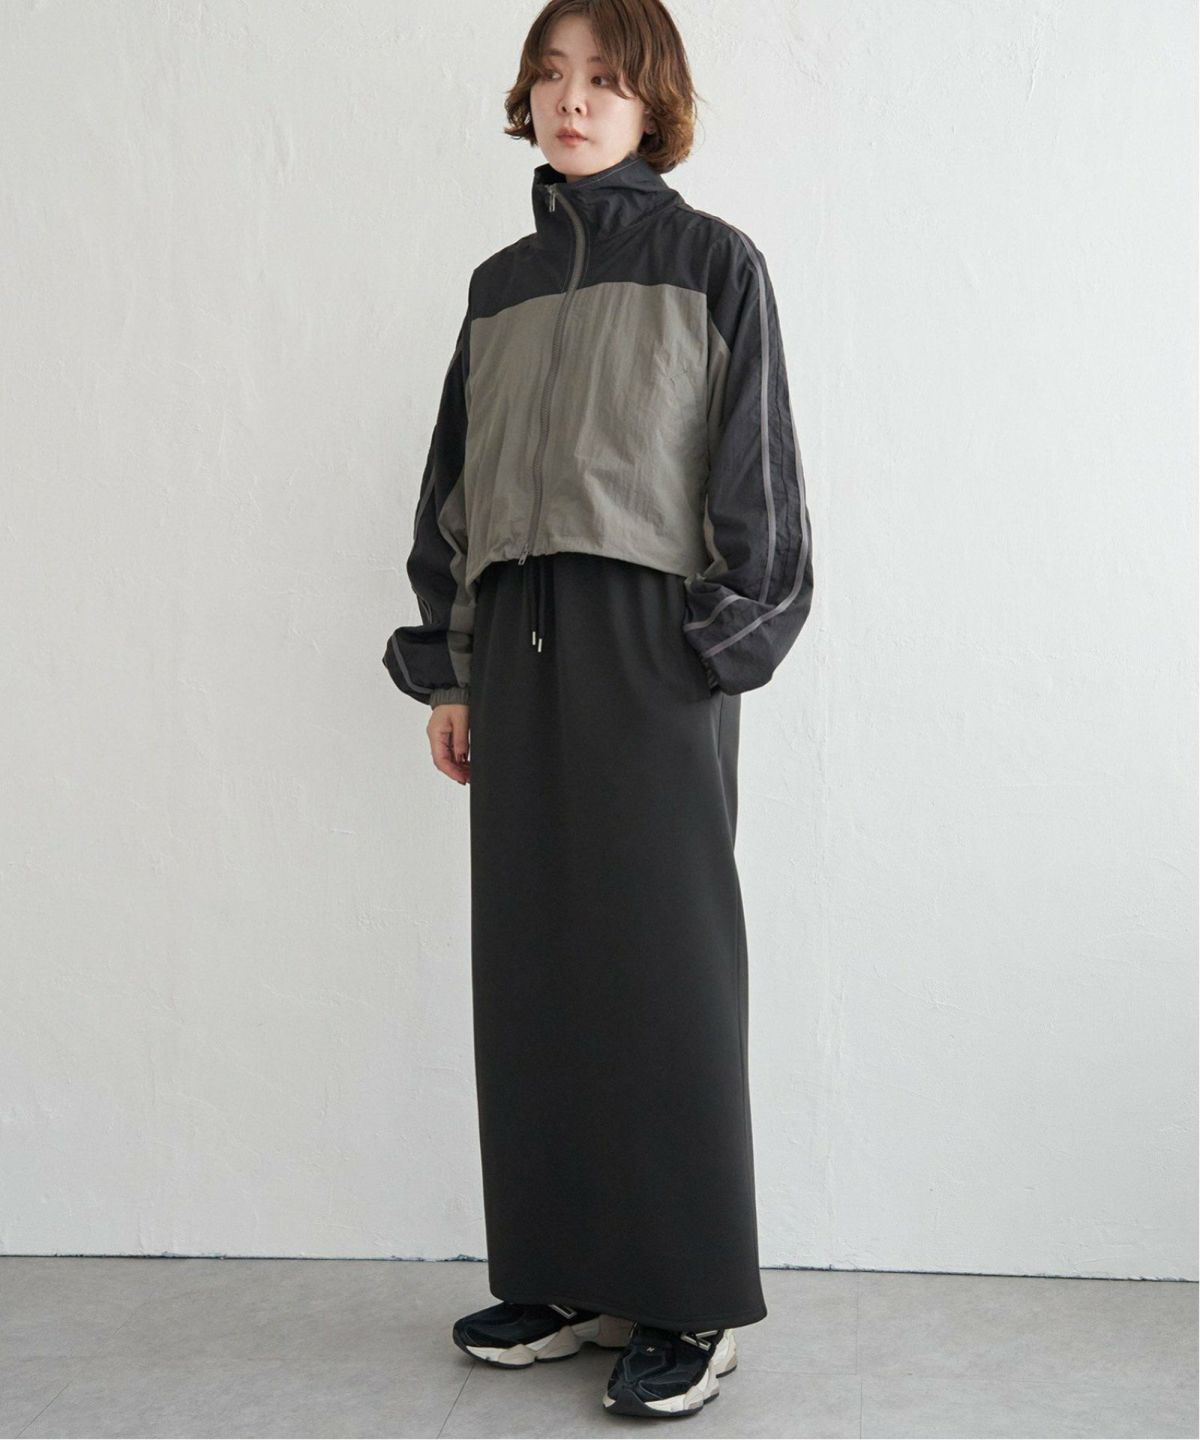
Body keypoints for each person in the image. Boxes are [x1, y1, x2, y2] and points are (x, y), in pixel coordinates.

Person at [382, 0, 814, 1420]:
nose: (574, 101)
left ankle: (691, 1297)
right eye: (553, 76)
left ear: (651, 102)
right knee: (534, 965)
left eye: (606, 79)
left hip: (650, 647)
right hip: (514, 646)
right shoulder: (498, 287)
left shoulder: (712, 263)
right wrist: (452, 668)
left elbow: (759, 482)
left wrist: (712, 651)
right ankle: (565, 1273)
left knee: (664, 970)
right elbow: (452, 488)